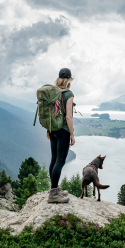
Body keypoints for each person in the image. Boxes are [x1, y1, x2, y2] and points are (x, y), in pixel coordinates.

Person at [47, 68, 75, 203]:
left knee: (54, 159)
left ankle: (54, 188)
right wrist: (72, 135)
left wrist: (48, 130)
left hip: (52, 129)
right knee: (60, 161)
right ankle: (53, 194)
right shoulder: (68, 94)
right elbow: (68, 117)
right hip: (63, 130)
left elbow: (49, 113)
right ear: (69, 79)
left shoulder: (52, 92)